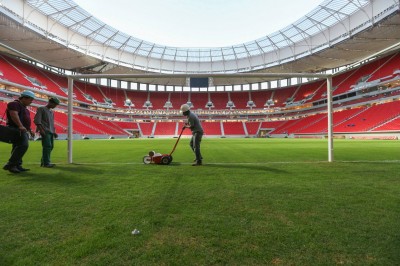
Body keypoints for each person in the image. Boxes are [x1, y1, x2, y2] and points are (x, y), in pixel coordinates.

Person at [3, 90, 35, 173]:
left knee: (17, 147)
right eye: (30, 100)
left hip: (22, 130)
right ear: (24, 98)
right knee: (23, 145)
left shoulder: (25, 109)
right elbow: (14, 114)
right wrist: (20, 126)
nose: (31, 102)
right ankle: (11, 164)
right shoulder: (14, 104)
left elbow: (26, 121)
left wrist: (30, 130)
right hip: (16, 129)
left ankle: (16, 166)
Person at [34, 97, 60, 168]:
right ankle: (46, 163)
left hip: (51, 131)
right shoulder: (41, 109)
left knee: (51, 146)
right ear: (50, 102)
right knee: (47, 146)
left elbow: (52, 123)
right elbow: (37, 120)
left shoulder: (52, 112)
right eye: (55, 104)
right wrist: (41, 130)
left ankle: (44, 162)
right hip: (45, 131)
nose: (55, 106)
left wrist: (54, 132)